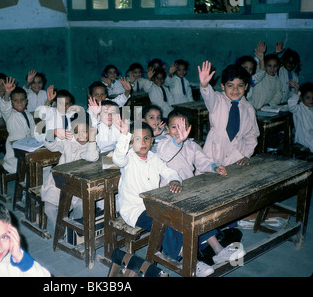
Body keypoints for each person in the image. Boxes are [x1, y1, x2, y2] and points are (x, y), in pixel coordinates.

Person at [111, 118, 214, 276]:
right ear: (130, 142)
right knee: (166, 223)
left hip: (155, 205)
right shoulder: (128, 158)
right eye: (137, 139)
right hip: (135, 210)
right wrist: (124, 136)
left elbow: (169, 172)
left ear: (152, 141)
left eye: (147, 138)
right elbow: (117, 158)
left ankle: (206, 249)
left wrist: (174, 180)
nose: (143, 142)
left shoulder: (153, 157)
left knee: (183, 218)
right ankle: (187, 261)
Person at [156, 111, 246, 267]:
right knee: (184, 219)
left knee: (200, 215)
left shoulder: (191, 145)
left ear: (189, 128)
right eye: (174, 127)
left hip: (187, 189)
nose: (178, 131)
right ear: (167, 129)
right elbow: (164, 154)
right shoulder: (164, 143)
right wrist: (178, 140)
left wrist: (214, 167)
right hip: (167, 191)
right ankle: (192, 261)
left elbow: (202, 160)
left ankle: (218, 250)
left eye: (182, 127)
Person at [40, 119, 99, 233]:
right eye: (76, 132)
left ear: (91, 131)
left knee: (82, 207)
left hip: (79, 185)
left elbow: (92, 157)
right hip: (58, 183)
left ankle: (73, 229)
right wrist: (54, 132)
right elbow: (49, 144)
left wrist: (92, 139)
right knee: (49, 208)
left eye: (85, 131)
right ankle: (61, 230)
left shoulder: (93, 146)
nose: (80, 136)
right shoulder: (68, 143)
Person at [198, 61, 259, 166]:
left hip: (237, 155)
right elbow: (208, 96)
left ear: (246, 86)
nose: (235, 89)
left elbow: (252, 134)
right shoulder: (217, 100)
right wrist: (205, 85)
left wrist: (246, 155)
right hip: (214, 151)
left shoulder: (249, 109)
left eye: (240, 85)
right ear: (223, 86)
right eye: (230, 85)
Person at [0, 77, 36, 174]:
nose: (19, 102)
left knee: (37, 165)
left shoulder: (28, 115)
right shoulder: (9, 114)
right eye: (15, 100)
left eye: (22, 99)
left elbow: (33, 131)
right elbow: (4, 107)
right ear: (11, 102)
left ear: (26, 100)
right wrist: (7, 93)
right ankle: (24, 187)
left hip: (28, 147)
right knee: (23, 169)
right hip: (14, 150)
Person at [287, 81, 313, 153]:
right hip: (304, 139)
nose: (311, 100)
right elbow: (291, 106)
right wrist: (296, 91)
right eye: (308, 98)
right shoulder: (298, 109)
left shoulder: (311, 109)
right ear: (301, 98)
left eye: (312, 98)